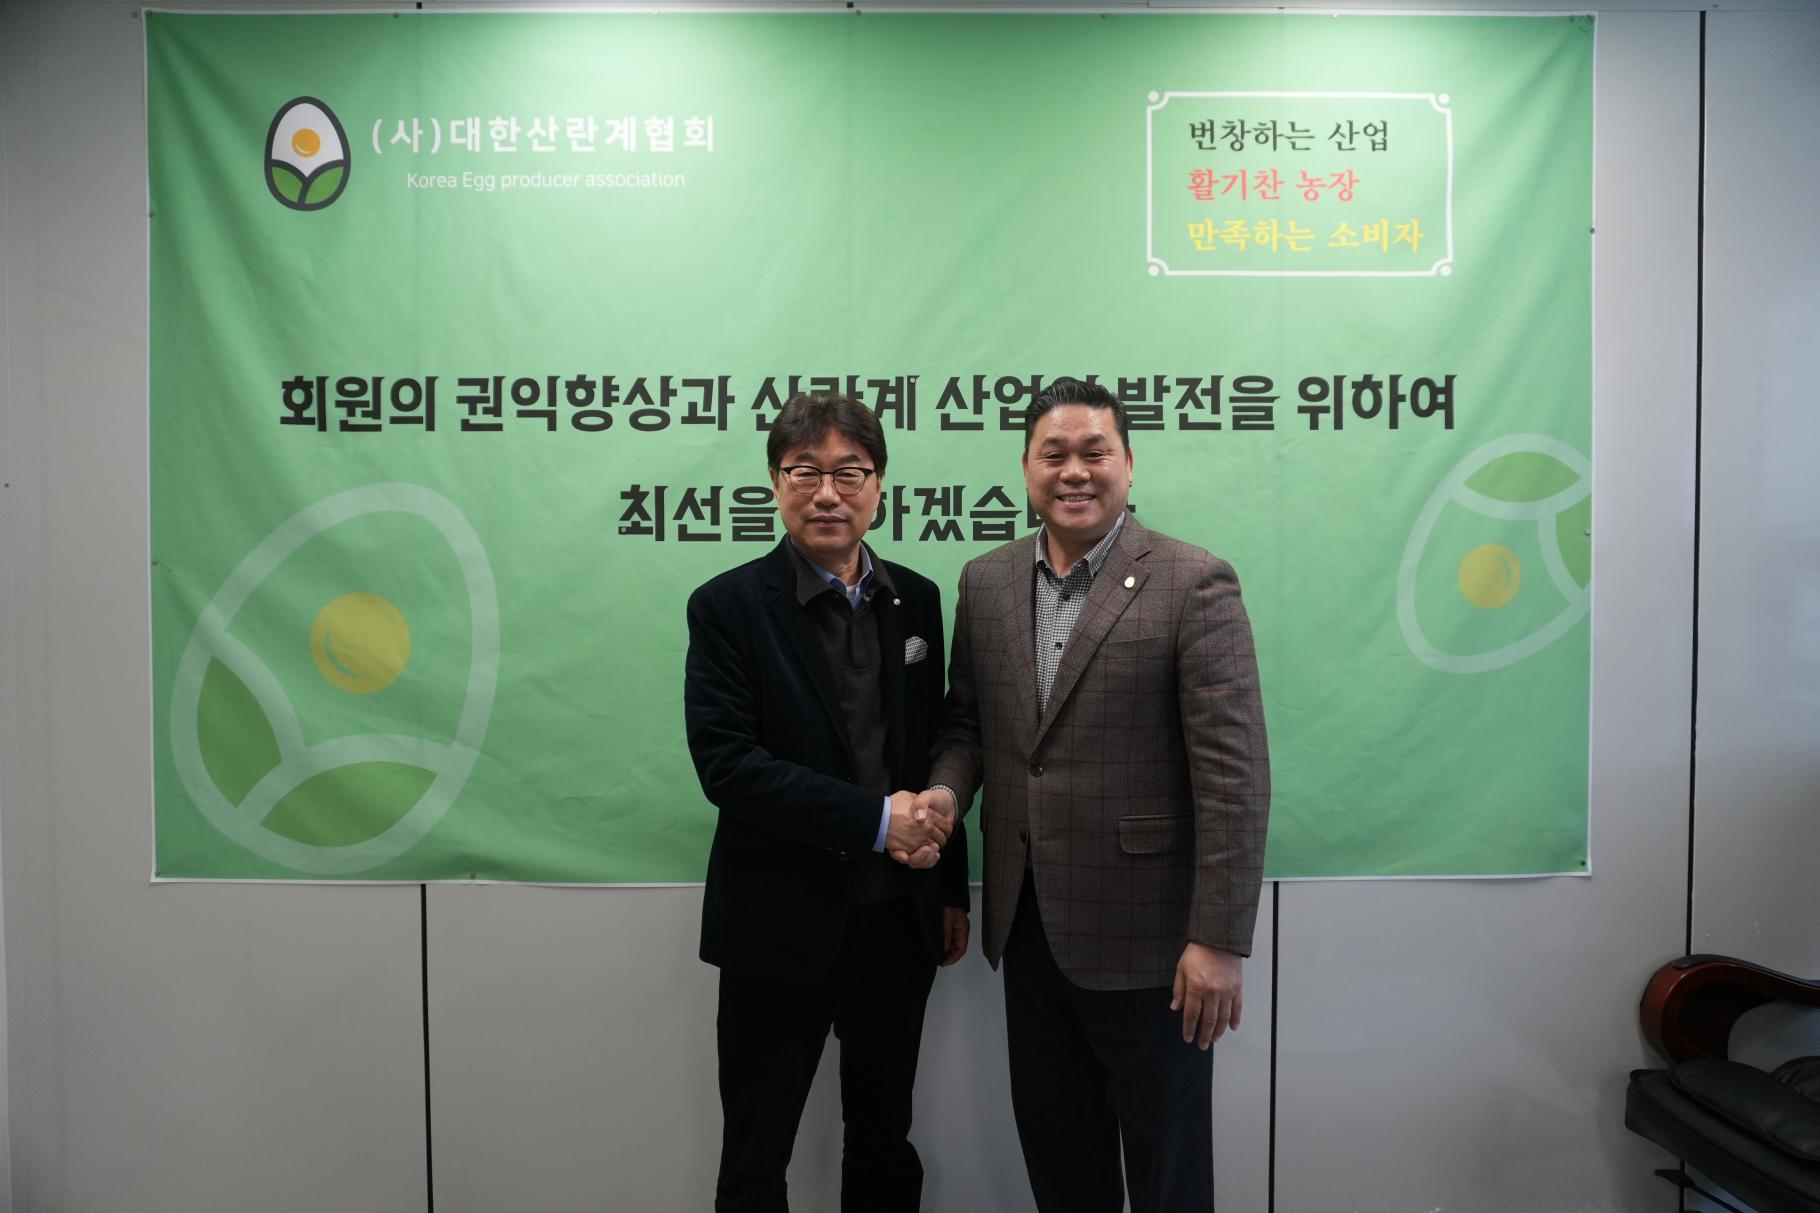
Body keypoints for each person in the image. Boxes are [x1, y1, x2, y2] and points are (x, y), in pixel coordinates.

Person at [918, 376, 1270, 1213]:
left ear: (1128, 463)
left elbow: (1234, 775)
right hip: (1029, 926)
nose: (1073, 471)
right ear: (1025, 468)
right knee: (1061, 1161)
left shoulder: (1194, 580)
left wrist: (1219, 938)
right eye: (1054, 454)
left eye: (1093, 452)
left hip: (1156, 945)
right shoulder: (985, 581)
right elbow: (968, 725)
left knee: (1167, 1170)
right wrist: (943, 792)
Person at [684, 393, 971, 1213]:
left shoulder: (917, 599)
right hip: (777, 921)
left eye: (850, 472)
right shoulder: (728, 606)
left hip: (898, 921)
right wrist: (878, 821)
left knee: (883, 1140)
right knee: (755, 1156)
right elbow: (729, 766)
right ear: (775, 483)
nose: (827, 493)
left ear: (879, 485)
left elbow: (936, 740)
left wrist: (948, 888)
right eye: (804, 471)